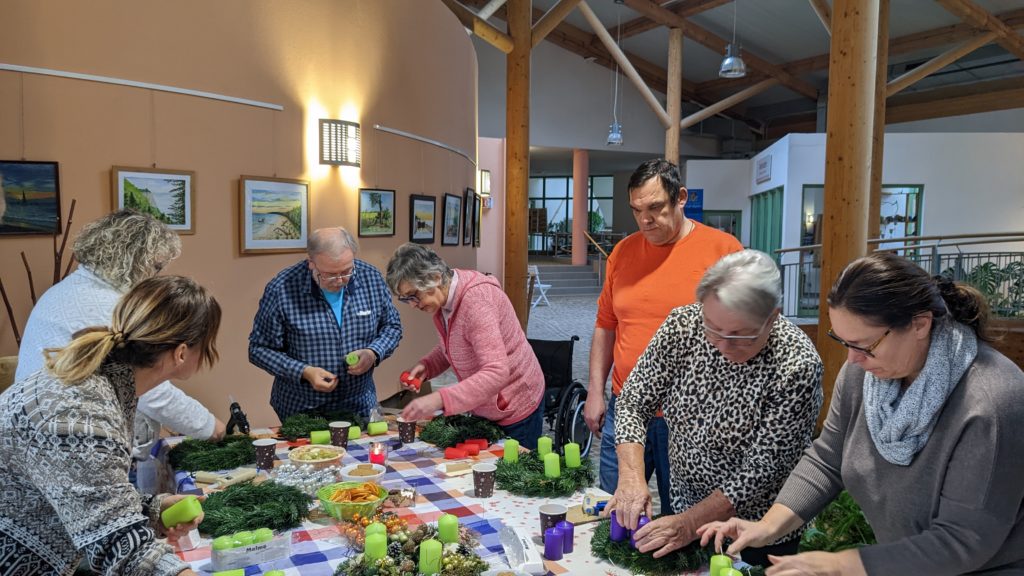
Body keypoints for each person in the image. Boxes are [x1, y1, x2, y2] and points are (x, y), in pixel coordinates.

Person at [698, 252, 1024, 574]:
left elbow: (963, 540)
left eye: (864, 345)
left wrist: (843, 564)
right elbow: (828, 458)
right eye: (844, 343)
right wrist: (768, 526)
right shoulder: (865, 372)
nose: (853, 360)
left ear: (920, 324)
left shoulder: (991, 400)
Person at [608, 250, 824, 567]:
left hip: (755, 529)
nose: (721, 346)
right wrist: (630, 476)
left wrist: (689, 524)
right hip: (683, 504)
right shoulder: (682, 326)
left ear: (773, 317)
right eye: (712, 327)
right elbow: (633, 401)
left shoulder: (796, 365)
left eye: (739, 336)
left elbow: (757, 473)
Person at [0, 275, 219, 575]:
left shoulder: (104, 384)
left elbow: (86, 491)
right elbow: (120, 546)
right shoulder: (83, 416)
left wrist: (152, 507)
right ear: (181, 353)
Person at [583, 158, 743, 514]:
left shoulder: (724, 251)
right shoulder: (622, 253)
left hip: (691, 414)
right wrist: (595, 391)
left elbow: (744, 334)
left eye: (655, 208)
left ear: (680, 197)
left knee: (684, 519)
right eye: (637, 210)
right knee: (613, 510)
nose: (645, 220)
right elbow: (605, 325)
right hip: (627, 407)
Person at [16, 209, 225, 453]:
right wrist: (208, 426)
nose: (156, 276)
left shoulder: (66, 290)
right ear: (135, 261)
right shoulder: (109, 308)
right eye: (156, 267)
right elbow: (150, 386)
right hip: (66, 440)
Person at [386, 243, 545, 449]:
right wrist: (428, 365)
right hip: (489, 405)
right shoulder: (444, 299)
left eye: (414, 295)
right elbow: (458, 343)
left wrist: (439, 399)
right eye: (405, 299)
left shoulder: (476, 302)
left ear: (435, 277)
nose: (413, 304)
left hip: (516, 403)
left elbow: (497, 372)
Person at [250, 227, 403, 421]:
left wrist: (373, 353)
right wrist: (304, 372)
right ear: (311, 264)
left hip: (360, 405)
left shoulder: (370, 278)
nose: (340, 281)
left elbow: (392, 326)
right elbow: (258, 349)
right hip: (303, 409)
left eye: (347, 271)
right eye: (330, 274)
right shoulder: (281, 289)